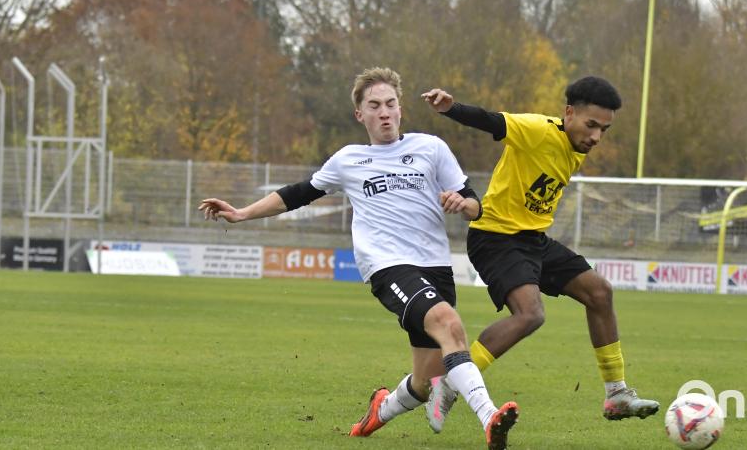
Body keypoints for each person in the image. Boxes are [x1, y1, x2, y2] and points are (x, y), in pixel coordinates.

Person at [198, 67, 519, 449]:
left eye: (391, 104)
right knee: (449, 324)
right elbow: (298, 193)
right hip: (387, 266)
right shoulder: (349, 159)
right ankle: (489, 418)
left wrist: (462, 203)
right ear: (360, 115)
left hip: (435, 267)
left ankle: (378, 412)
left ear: (400, 110)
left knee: (425, 378)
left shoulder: (430, 148)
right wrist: (241, 213)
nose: (384, 112)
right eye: (375, 106)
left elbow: (473, 203)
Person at [420, 77, 659, 432]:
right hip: (495, 237)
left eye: (604, 130)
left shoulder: (577, 149)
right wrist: (451, 108)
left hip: (532, 240)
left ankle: (616, 394)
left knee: (600, 292)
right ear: (568, 113)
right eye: (591, 125)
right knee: (530, 314)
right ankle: (452, 381)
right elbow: (491, 121)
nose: (596, 137)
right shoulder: (537, 130)